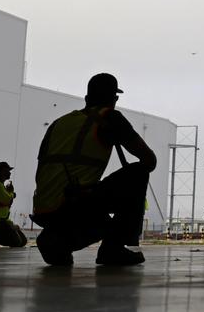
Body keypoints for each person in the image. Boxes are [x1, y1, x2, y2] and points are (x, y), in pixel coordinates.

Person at [31, 73, 157, 266]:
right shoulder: (109, 118)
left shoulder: (60, 122)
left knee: (98, 213)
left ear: (87, 97)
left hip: (44, 210)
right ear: (113, 98)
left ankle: (56, 238)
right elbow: (149, 160)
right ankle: (113, 249)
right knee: (138, 173)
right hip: (75, 205)